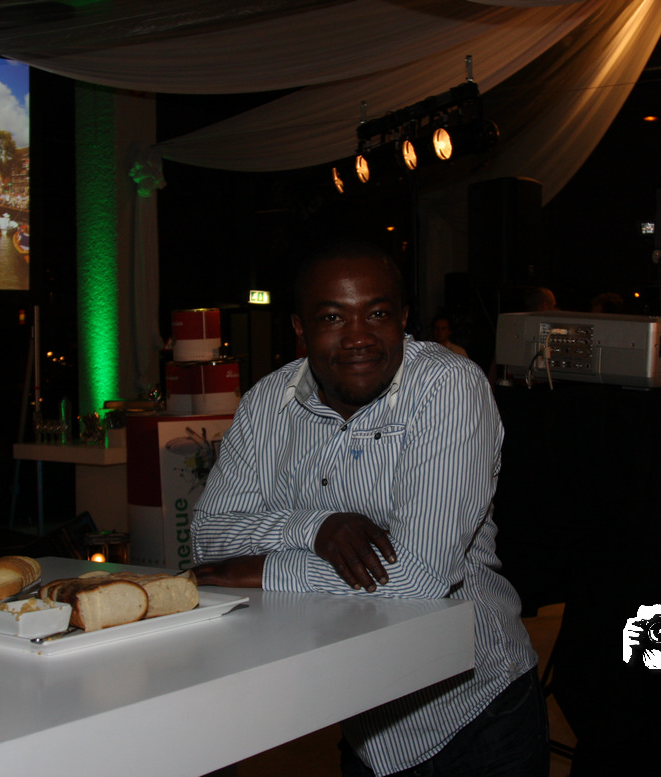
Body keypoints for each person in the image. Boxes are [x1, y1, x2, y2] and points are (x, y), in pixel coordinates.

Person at [191, 239, 545, 777]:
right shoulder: (268, 403)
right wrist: (314, 528)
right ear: (300, 328)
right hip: (361, 714)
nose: (358, 336)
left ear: (403, 319)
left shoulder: (448, 386)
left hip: (476, 712)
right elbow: (209, 539)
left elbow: (420, 574)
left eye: (377, 313)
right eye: (332, 317)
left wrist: (266, 568)